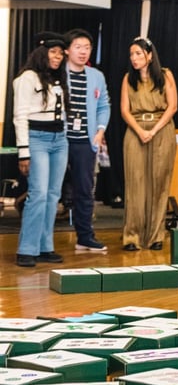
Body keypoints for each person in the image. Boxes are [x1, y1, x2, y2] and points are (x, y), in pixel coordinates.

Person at [12, 32, 70, 268]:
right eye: (53, 52)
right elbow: (20, 116)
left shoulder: (57, 79)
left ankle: (45, 246)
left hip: (59, 139)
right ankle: (27, 249)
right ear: (42, 52)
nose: (57, 57)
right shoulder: (27, 78)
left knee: (54, 195)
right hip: (37, 139)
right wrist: (23, 151)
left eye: (60, 53)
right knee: (39, 193)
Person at [120, 37, 178, 251]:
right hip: (136, 130)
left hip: (161, 130)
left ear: (149, 55)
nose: (134, 58)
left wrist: (153, 130)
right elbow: (124, 110)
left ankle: (156, 235)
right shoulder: (128, 79)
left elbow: (172, 107)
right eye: (131, 54)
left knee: (159, 182)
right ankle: (132, 236)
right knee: (135, 183)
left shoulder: (165, 75)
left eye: (138, 53)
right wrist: (140, 131)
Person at [63, 29, 110, 253]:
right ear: (67, 50)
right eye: (78, 47)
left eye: (87, 47)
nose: (83, 52)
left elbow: (104, 106)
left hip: (85, 141)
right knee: (51, 191)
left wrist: (100, 131)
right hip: (59, 140)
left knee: (85, 189)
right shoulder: (57, 73)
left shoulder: (96, 76)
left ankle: (85, 236)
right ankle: (41, 241)